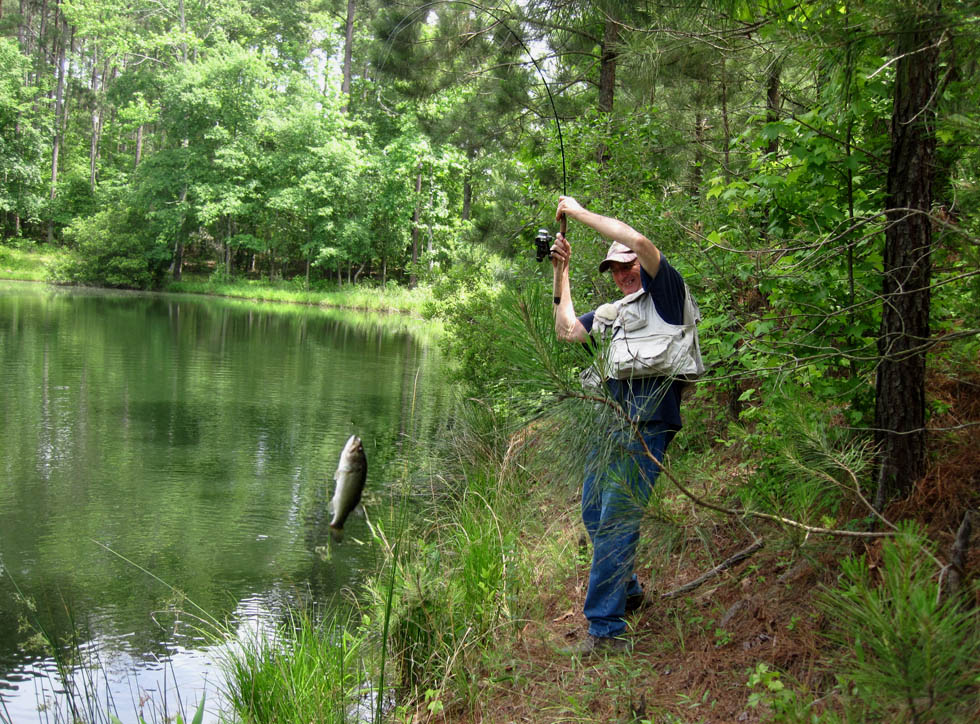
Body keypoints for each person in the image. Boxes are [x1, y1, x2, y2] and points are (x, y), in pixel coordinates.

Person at [549, 195, 689, 655]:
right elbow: (567, 330)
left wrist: (578, 212)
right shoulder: (612, 314)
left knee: (616, 519)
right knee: (594, 512)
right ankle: (627, 590)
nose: (624, 273)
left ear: (642, 265)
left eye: (628, 264)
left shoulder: (667, 295)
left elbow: (638, 238)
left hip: (647, 425)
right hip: (608, 426)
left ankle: (606, 629)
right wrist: (561, 272)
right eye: (615, 268)